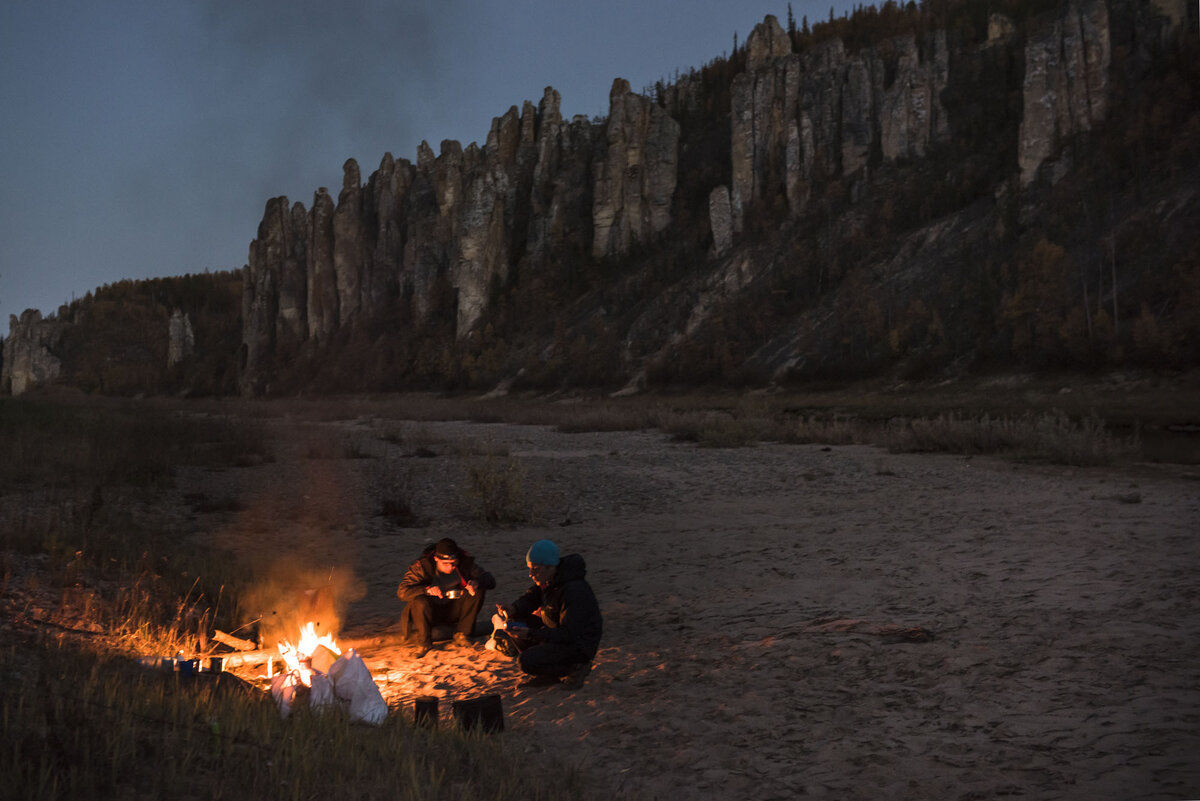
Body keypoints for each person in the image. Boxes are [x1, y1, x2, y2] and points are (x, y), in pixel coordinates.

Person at [492, 539, 602, 689]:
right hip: (559, 635)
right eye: (530, 568)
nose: (531, 574)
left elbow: (569, 634)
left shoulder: (573, 591)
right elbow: (531, 597)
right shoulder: (550, 581)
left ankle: (576, 667)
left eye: (536, 569)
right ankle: (547, 675)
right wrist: (514, 608)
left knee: (526, 661)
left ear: (550, 567)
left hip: (578, 645)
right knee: (515, 620)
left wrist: (531, 633)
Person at [397, 538, 495, 658]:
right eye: (445, 564)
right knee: (419, 601)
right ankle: (424, 643)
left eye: (454, 563)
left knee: (477, 591)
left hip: (453, 610)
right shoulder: (421, 566)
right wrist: (426, 590)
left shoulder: (465, 563)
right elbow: (402, 592)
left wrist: (476, 582)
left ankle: (463, 634)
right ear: (436, 559)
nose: (450, 567)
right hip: (430, 613)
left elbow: (490, 580)